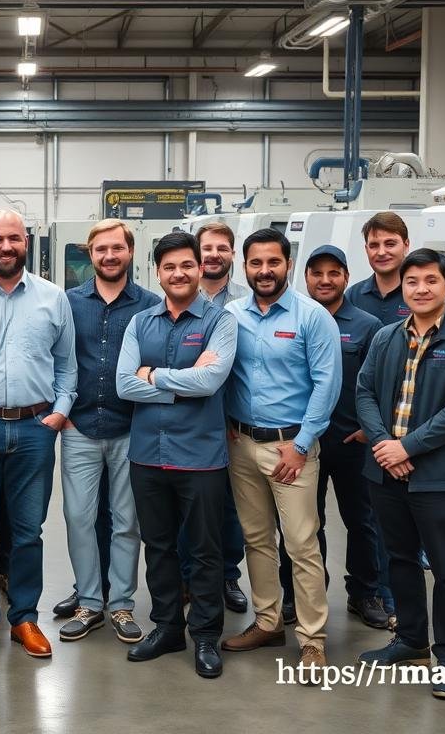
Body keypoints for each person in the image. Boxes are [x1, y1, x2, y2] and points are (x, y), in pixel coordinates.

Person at [356, 249, 445, 701]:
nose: (421, 289)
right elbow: (364, 393)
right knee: (400, 560)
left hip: (437, 477)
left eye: (431, 280)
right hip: (386, 473)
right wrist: (384, 446)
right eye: (412, 281)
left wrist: (406, 447)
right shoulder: (386, 337)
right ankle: (412, 639)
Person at [0, 209, 77, 661]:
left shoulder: (53, 298)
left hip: (34, 427)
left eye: (14, 238)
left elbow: (67, 365)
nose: (6, 247)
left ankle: (24, 618)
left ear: (26, 242)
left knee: (27, 531)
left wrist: (59, 413)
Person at [115, 231, 236, 679]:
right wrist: (180, 384)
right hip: (147, 455)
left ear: (200, 268)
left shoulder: (221, 322)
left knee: (205, 551)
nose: (179, 273)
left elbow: (211, 382)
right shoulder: (140, 322)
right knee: (159, 546)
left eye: (187, 265)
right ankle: (167, 627)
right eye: (169, 267)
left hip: (201, 457)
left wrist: (153, 376)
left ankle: (205, 635)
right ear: (158, 272)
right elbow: (123, 384)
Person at [220, 228, 339, 676]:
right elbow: (221, 373)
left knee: (301, 544)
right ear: (244, 267)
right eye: (256, 263)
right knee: (256, 539)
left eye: (273, 262)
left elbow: (327, 385)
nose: (265, 270)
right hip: (241, 444)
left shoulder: (312, 317)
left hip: (292, 448)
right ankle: (268, 622)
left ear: (288, 264)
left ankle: (312, 639)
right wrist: (225, 424)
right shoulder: (231, 315)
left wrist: (302, 445)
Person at [347, 211, 445, 621]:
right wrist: (375, 434)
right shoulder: (356, 297)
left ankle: (398, 605)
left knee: (421, 541)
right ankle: (367, 593)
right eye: (374, 244)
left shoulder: (437, 304)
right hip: (369, 436)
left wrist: (404, 444)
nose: (382, 251)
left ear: (406, 245)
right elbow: (361, 381)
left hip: (420, 442)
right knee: (368, 521)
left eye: (390, 243)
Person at [277, 245, 389, 629]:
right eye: (317, 273)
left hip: (350, 441)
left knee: (362, 521)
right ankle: (300, 595)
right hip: (301, 442)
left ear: (345, 277)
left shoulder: (368, 325)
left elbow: (380, 383)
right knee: (301, 524)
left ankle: (365, 593)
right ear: (305, 277)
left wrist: (371, 428)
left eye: (333, 273)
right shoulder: (292, 318)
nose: (325, 280)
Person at [58, 220, 158, 645]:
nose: (110, 255)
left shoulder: (150, 305)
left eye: (117, 248)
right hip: (79, 426)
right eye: (101, 249)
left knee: (126, 522)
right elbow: (56, 357)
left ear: (130, 252)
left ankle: (121, 605)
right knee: (79, 518)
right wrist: (61, 411)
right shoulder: (68, 303)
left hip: (131, 428)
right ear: (90, 253)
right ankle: (89, 602)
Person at [182, 220, 250, 614]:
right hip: (187, 417)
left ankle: (227, 576)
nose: (214, 255)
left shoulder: (244, 301)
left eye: (222, 248)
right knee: (185, 505)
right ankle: (186, 577)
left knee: (230, 505)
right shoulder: (177, 297)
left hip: (233, 420)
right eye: (207, 248)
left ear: (232, 254)